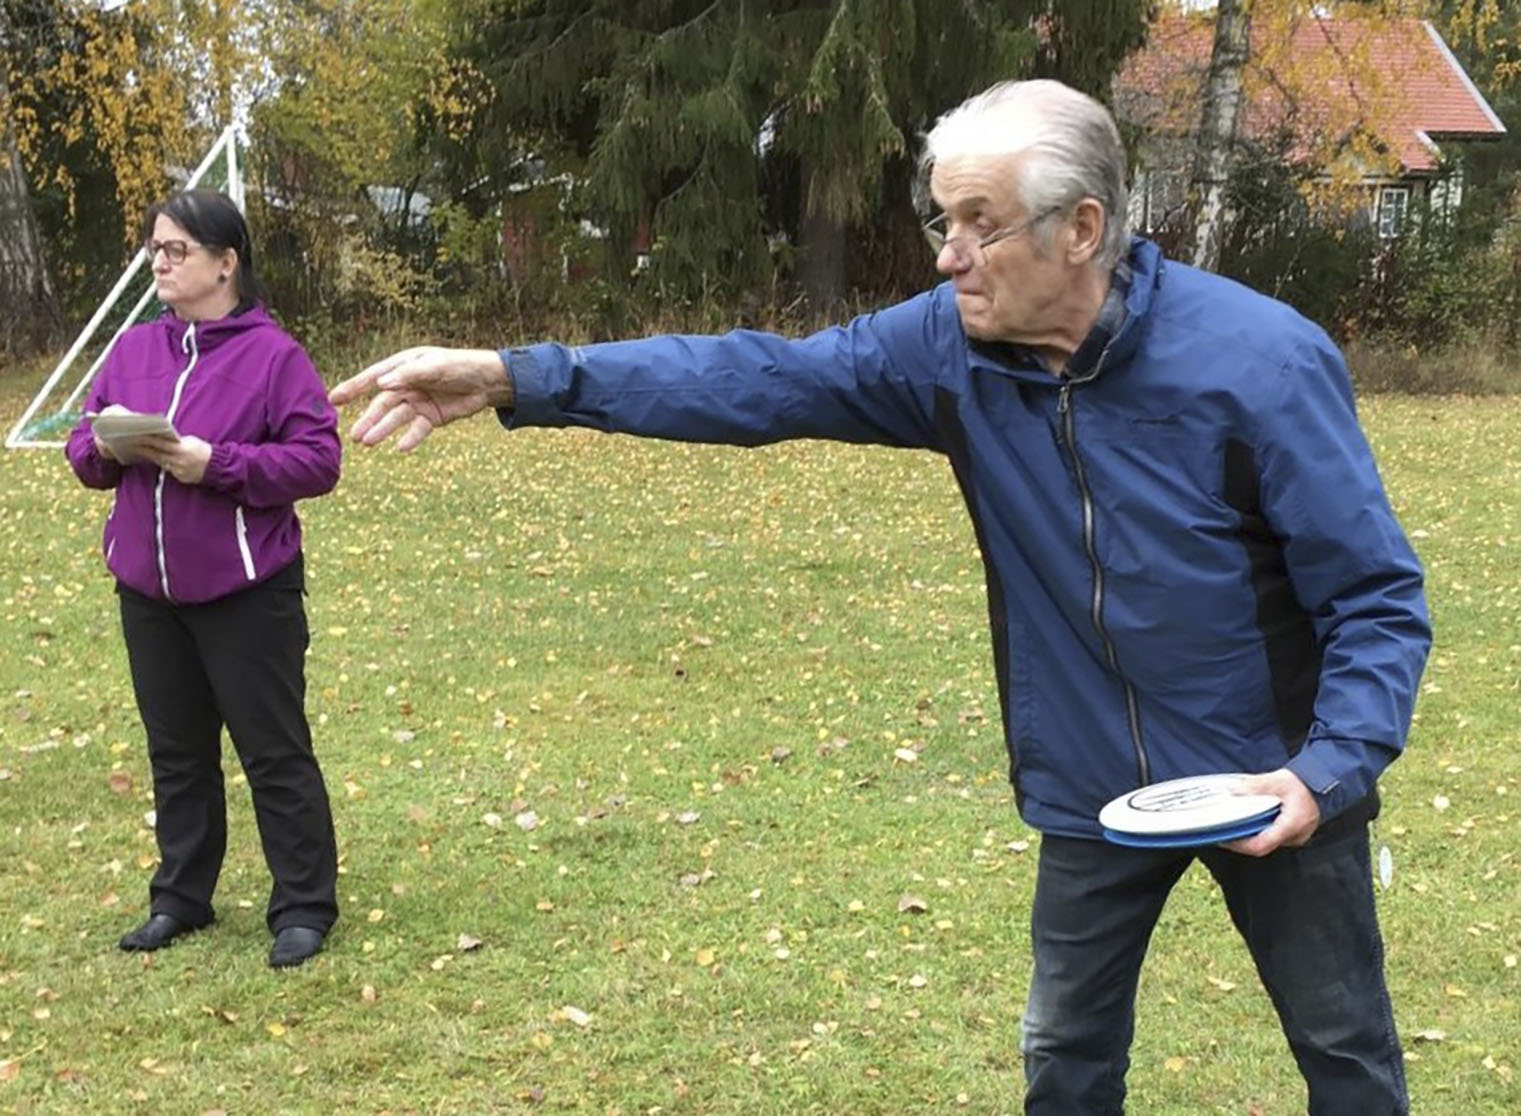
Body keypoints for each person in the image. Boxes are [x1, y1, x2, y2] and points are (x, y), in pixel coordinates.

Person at [330, 80, 1430, 1112]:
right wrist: (521, 376)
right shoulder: (950, 353)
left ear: (1081, 230)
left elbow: (1375, 595)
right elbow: (755, 377)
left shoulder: (1260, 363)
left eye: (976, 223)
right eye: (940, 222)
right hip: (1094, 784)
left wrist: (1325, 771)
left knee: (1343, 1048)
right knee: (1064, 1054)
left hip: (1269, 770)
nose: (949, 257)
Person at [67, 189, 341, 969]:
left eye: (176, 249)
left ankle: (302, 908)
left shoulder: (273, 357)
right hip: (148, 593)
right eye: (155, 248)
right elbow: (82, 450)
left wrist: (212, 464)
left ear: (227, 264)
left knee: (273, 751)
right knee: (177, 752)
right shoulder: (132, 352)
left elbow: (319, 459)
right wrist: (109, 449)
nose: (160, 261)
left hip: (248, 592)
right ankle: (181, 898)